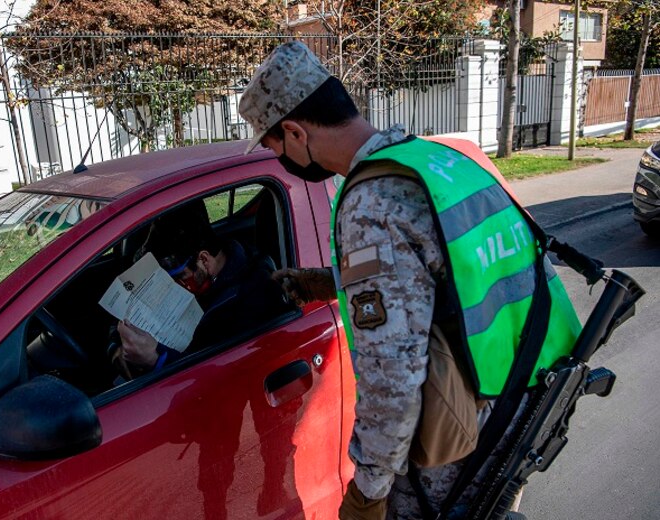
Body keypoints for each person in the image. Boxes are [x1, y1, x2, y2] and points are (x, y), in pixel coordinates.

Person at [238, 42, 581, 519]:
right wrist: (335, 282)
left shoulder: (371, 204)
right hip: (524, 400)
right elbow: (450, 274)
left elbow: (392, 375)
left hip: (459, 444)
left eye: (274, 146)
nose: (280, 157)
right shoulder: (436, 163)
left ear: (295, 132)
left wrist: (369, 489)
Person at [116, 201, 295, 374]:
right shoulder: (201, 277)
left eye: (179, 276)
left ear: (203, 260)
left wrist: (156, 360)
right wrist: (117, 348)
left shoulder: (255, 296)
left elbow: (221, 375)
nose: (173, 285)